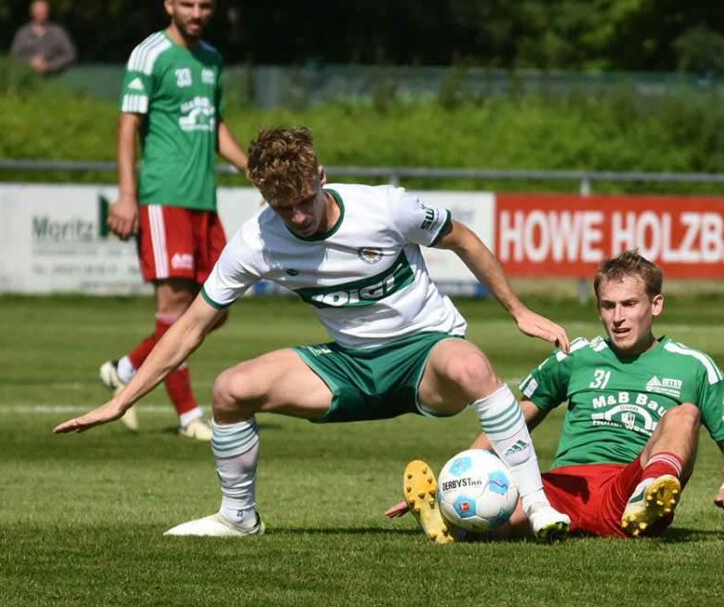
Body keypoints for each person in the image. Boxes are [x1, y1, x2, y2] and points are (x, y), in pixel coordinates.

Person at [55, 126, 574, 541]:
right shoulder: (258, 239)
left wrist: (518, 311)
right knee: (230, 389)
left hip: (425, 355)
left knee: (473, 366)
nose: (298, 217)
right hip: (349, 366)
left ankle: (537, 504)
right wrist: (122, 400)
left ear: (322, 176)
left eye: (305, 199)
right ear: (262, 196)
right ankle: (238, 518)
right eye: (284, 208)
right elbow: (191, 324)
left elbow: (461, 238)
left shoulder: (386, 208)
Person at [389, 250, 724, 542]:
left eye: (629, 304)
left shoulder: (693, 366)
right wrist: (459, 473)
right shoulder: (576, 356)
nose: (618, 317)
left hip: (627, 487)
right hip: (565, 487)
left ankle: (650, 493)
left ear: (656, 305)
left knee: (685, 413)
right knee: (495, 512)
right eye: (608, 306)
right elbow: (513, 417)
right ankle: (449, 519)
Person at [98, 0, 249, 441]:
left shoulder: (212, 59)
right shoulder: (150, 54)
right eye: (187, 4)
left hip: (203, 199)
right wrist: (127, 195)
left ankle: (126, 368)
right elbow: (127, 126)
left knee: (217, 306)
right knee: (178, 307)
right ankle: (188, 415)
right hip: (163, 197)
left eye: (204, 5)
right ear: (170, 5)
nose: (196, 13)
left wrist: (252, 168)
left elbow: (214, 125)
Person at [9, 0, 77, 74]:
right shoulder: (22, 33)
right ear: (32, 12)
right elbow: (14, 56)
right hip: (27, 75)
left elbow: (70, 55)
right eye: (38, 11)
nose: (41, 14)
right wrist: (29, 62)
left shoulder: (58, 32)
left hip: (55, 77)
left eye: (44, 11)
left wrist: (50, 65)